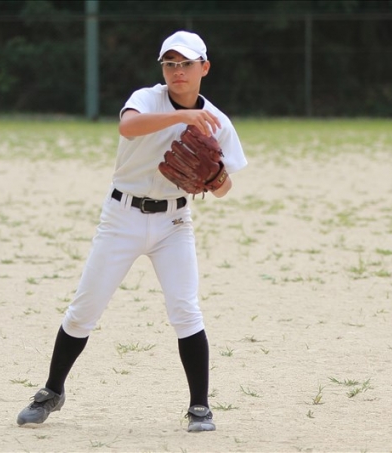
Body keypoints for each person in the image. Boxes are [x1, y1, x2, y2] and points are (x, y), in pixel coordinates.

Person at [16, 30, 247, 432]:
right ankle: (52, 391)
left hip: (174, 223)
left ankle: (200, 407)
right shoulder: (147, 99)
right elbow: (128, 127)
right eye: (170, 63)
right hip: (122, 217)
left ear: (204, 68)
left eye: (186, 63)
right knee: (85, 309)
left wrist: (213, 176)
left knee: (185, 310)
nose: (177, 71)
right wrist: (182, 117)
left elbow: (225, 189)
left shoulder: (218, 122)